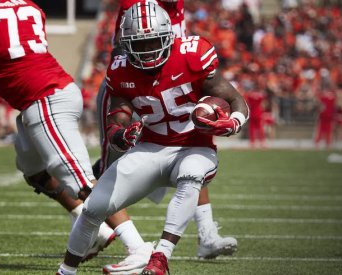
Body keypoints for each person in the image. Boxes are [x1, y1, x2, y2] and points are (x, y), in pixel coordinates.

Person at [56, 2, 249, 275]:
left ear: (168, 36)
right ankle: (65, 271)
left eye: (153, 41)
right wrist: (121, 136)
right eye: (139, 43)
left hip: (194, 146)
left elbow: (235, 99)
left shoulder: (192, 55)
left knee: (192, 174)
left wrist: (233, 123)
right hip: (150, 147)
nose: (147, 50)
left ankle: (161, 258)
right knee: (93, 208)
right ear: (127, 43)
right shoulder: (121, 69)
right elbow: (117, 120)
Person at [0, 0, 131, 262]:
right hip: (46, 94)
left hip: (45, 98)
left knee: (83, 182)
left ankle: (139, 248)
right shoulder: (28, 6)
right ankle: (91, 226)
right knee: (35, 172)